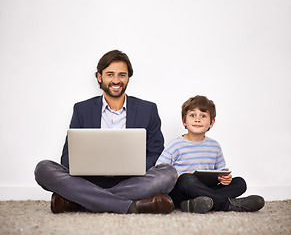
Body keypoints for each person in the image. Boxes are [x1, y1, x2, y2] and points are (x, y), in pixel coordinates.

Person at [34, 50, 178, 214]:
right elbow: (67, 157)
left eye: (122, 75)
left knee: (169, 173)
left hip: (132, 181)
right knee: (43, 168)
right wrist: (86, 167)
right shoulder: (82, 109)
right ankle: (130, 206)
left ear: (128, 78)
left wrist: (132, 167)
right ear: (99, 77)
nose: (116, 80)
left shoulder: (148, 109)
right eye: (110, 74)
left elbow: (156, 154)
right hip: (89, 180)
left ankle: (80, 202)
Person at [156, 95, 265, 213]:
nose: (197, 119)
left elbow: (220, 172)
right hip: (182, 190)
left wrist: (225, 179)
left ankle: (192, 205)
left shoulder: (215, 146)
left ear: (211, 123)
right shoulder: (175, 145)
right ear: (184, 121)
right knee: (187, 179)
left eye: (203, 116)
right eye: (192, 115)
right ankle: (226, 205)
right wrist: (179, 175)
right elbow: (158, 172)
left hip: (205, 189)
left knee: (240, 183)